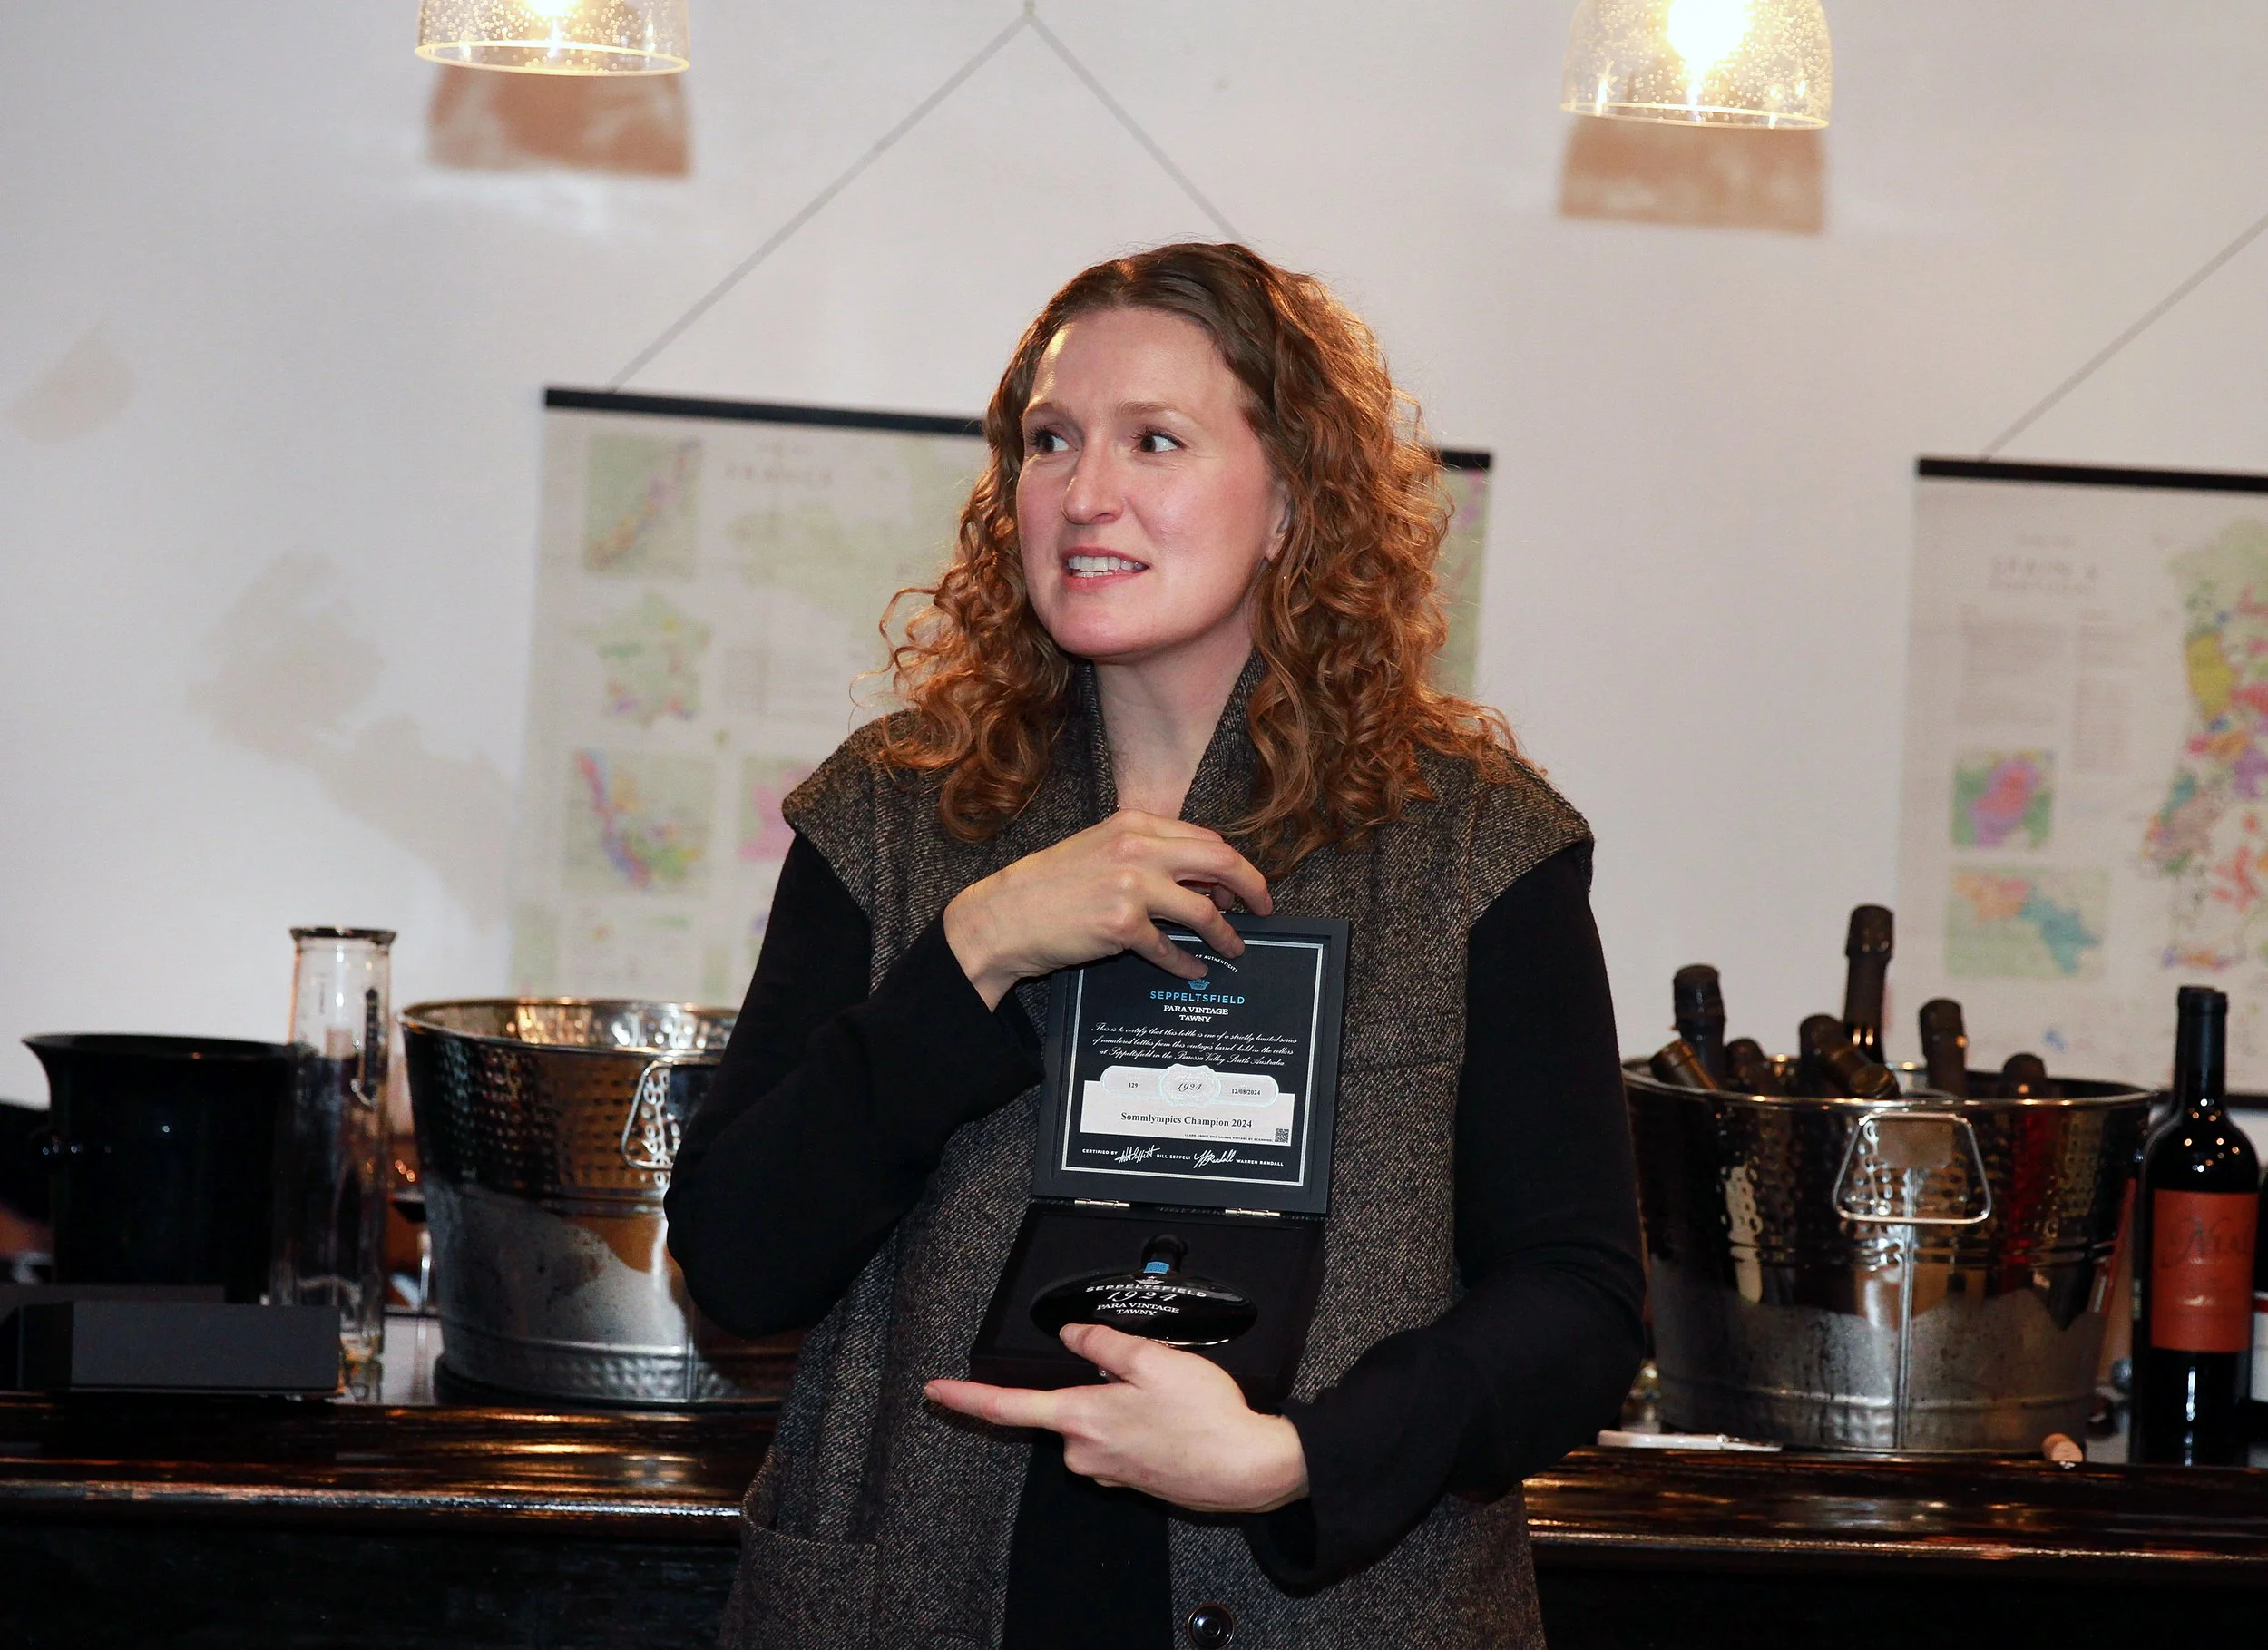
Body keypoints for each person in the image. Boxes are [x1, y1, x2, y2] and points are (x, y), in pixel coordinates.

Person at [666, 241, 1643, 1650]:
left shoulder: (1476, 842)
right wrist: (976, 951)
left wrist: (1298, 1457)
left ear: (1291, 499)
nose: (1085, 494)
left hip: (1330, 1608)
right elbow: (738, 1262)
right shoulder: (888, 814)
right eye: (1050, 441)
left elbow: (1578, 1303)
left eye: (1155, 441)